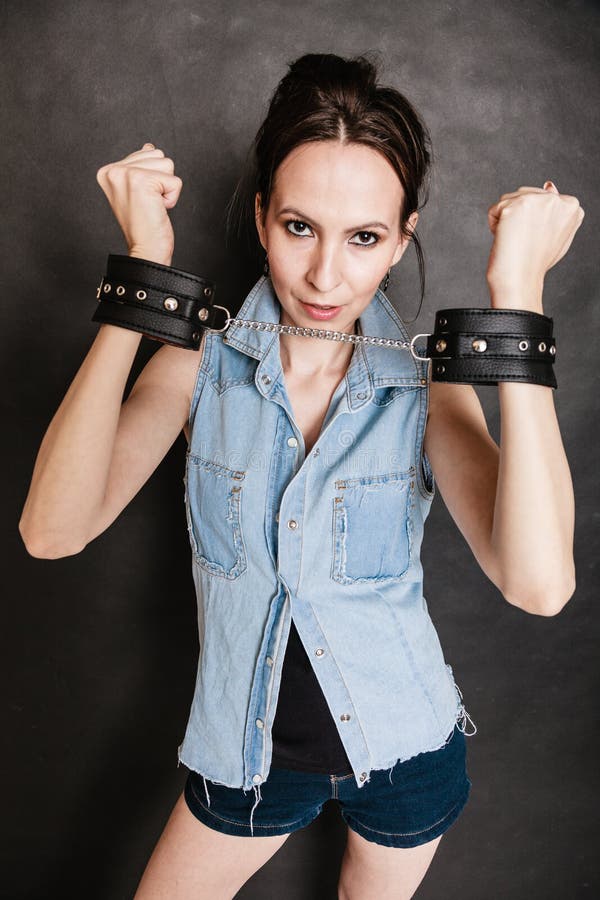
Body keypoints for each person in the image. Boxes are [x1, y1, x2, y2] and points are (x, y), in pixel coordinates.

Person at [19, 52, 582, 900]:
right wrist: (141, 275)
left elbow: (538, 586)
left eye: (363, 238)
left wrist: (520, 300)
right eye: (298, 227)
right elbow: (50, 532)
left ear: (401, 240)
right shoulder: (201, 363)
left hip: (404, 748)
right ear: (258, 217)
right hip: (245, 755)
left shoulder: (431, 384)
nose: (325, 276)